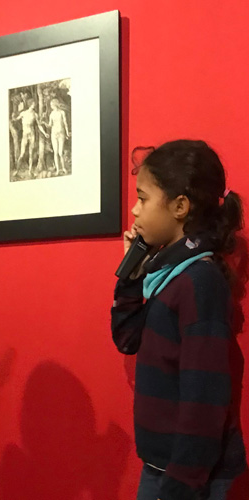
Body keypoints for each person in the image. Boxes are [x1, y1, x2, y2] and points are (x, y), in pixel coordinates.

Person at [111, 140, 247, 500]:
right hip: (161, 467)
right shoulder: (168, 277)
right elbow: (127, 338)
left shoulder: (199, 282)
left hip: (189, 478)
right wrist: (131, 275)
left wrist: (180, 486)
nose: (134, 210)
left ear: (180, 207)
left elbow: (205, 399)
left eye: (143, 198)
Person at [12, 99, 48, 176]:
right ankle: (17, 170)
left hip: (32, 135)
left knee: (31, 153)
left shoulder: (35, 114)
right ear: (30, 104)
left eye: (34, 103)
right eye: (33, 103)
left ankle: (30, 171)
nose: (34, 105)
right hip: (25, 135)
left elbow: (39, 125)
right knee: (22, 153)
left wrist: (45, 133)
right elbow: (16, 119)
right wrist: (13, 117)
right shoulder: (23, 113)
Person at [47, 98, 70, 175]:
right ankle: (58, 170)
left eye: (51, 105)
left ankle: (63, 168)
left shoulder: (62, 112)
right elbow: (50, 125)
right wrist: (44, 123)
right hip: (54, 134)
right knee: (55, 152)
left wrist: (67, 132)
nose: (51, 106)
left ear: (55, 105)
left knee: (60, 152)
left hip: (61, 133)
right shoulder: (51, 114)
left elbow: (65, 123)